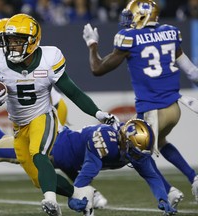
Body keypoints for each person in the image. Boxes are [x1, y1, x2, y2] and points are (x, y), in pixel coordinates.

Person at [0, 96, 177, 216]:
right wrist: (81, 194)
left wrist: (162, 197)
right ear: (124, 140)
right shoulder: (105, 142)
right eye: (134, 151)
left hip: (62, 147)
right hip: (48, 146)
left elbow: (150, 172)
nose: (137, 156)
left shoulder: (133, 145)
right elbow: (85, 174)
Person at [0, 13, 118, 216]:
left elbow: (73, 92)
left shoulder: (49, 58)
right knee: (37, 178)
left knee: (39, 153)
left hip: (43, 115)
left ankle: (50, 201)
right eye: (10, 41)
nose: (11, 45)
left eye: (17, 41)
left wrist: (98, 113)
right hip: (18, 125)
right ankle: (82, 196)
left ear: (32, 41)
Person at [82, 0, 198, 203]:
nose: (127, 20)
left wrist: (92, 45)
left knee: (133, 153)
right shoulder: (170, 33)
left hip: (153, 110)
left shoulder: (129, 38)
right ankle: (193, 178)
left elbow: (97, 69)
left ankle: (169, 191)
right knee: (160, 142)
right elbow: (193, 72)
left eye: (130, 15)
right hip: (174, 108)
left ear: (141, 16)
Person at [0, 17, 69, 126]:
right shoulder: (1, 62)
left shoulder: (25, 60)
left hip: (51, 108)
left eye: (5, 41)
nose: (1, 47)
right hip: (31, 115)